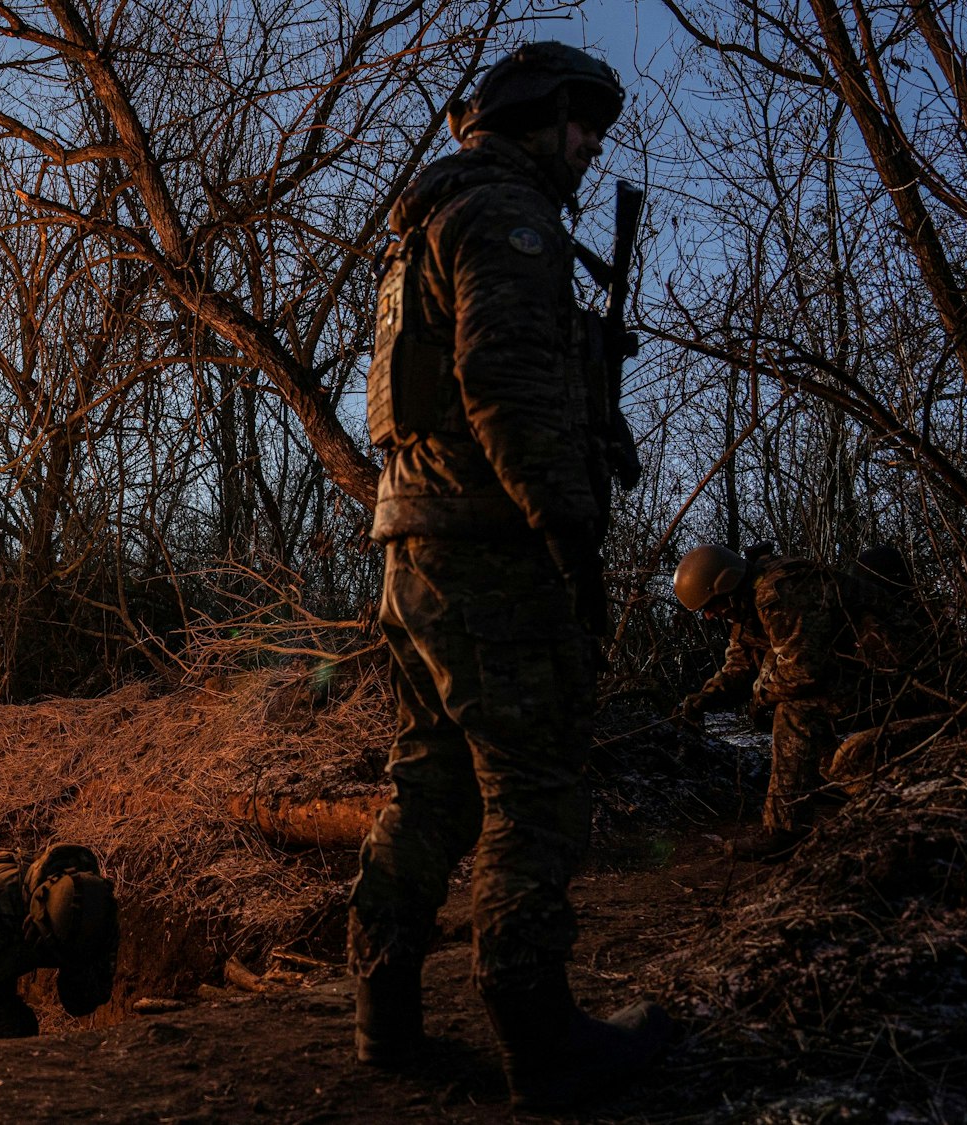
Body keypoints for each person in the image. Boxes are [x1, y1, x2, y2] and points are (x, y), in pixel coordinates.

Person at [352, 40, 669, 1110]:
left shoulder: (429, 221)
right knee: (530, 788)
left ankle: (381, 1013)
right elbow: (502, 380)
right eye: (579, 124)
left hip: (411, 540)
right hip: (489, 548)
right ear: (532, 115)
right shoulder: (507, 215)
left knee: (428, 782)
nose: (587, 146)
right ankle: (538, 1038)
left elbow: (465, 376)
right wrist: (567, 534)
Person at [674, 544, 932, 860]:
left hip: (895, 672)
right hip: (856, 669)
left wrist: (761, 696)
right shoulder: (745, 606)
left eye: (711, 605)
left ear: (726, 585)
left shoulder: (779, 590)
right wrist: (701, 700)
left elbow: (803, 673)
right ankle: (852, 783)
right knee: (792, 707)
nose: (710, 615)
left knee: (795, 711)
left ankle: (784, 831)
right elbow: (740, 667)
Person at [0, 843, 119, 1038]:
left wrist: (81, 969)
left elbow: (84, 999)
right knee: (10, 1030)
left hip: (3, 944)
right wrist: (15, 958)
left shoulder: (97, 912)